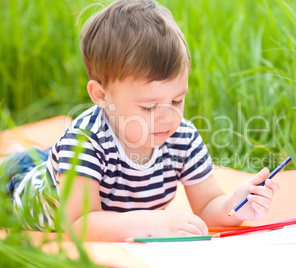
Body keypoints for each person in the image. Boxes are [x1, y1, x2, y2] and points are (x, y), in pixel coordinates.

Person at [1, 0, 279, 242]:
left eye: (176, 100)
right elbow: (79, 224)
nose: (168, 117)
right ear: (101, 95)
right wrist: (150, 224)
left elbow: (208, 204)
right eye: (148, 107)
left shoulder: (182, 137)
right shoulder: (84, 141)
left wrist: (237, 205)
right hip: (17, 187)